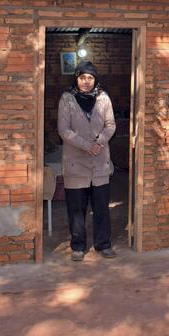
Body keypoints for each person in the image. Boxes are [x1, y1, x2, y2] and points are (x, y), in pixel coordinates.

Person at [57, 61, 117, 261]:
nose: (86, 82)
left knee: (101, 207)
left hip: (100, 162)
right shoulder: (67, 100)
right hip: (76, 163)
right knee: (77, 208)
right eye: (82, 77)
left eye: (90, 78)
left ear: (95, 79)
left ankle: (103, 244)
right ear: (76, 78)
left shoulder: (103, 98)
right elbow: (64, 130)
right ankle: (78, 246)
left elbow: (110, 124)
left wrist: (99, 142)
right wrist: (86, 145)